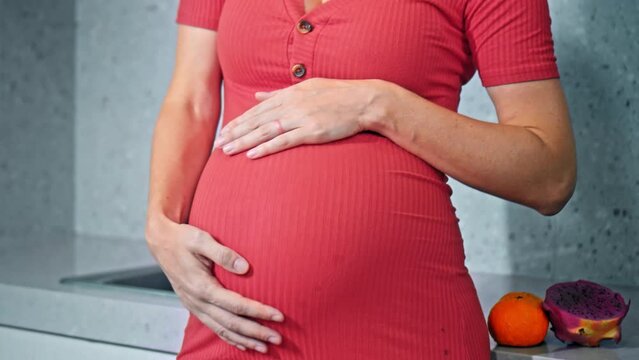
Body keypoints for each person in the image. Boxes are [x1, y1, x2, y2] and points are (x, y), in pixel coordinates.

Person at [145, 0, 577, 358]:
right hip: (228, 332)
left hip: (402, 334)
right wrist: (160, 227)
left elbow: (548, 175)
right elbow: (190, 101)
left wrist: (379, 104)